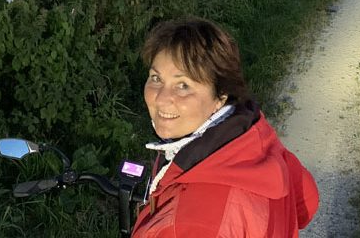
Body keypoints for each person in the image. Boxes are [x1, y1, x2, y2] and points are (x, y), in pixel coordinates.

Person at [132, 17, 319, 237]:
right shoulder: (250, 136)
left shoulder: (189, 227)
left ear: (221, 95)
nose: (162, 99)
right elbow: (306, 199)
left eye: (183, 86)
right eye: (156, 78)